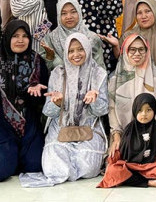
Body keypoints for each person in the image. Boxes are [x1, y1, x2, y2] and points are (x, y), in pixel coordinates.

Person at [19, 33, 108, 187]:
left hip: (89, 128)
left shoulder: (98, 74)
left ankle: (68, 170)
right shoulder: (58, 73)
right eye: (71, 51)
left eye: (80, 49)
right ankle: (66, 169)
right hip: (60, 128)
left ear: (87, 49)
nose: (76, 54)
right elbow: (48, 112)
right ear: (65, 53)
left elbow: (102, 111)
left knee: (88, 168)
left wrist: (94, 100)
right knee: (52, 167)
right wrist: (57, 104)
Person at [0, 20, 49, 181]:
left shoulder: (37, 62)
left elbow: (45, 97)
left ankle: (15, 155)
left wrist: (36, 93)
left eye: (24, 36)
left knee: (35, 167)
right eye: (15, 36)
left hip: (29, 124)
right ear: (7, 37)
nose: (20, 40)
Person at [108, 34, 156, 159]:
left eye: (141, 49)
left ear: (147, 51)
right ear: (125, 51)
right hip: (123, 134)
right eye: (132, 50)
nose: (137, 53)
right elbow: (112, 111)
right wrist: (116, 136)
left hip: (150, 134)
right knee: (116, 161)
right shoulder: (114, 80)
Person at [98, 93, 156, 188]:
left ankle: (130, 180)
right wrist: (112, 159)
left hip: (150, 167)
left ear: (154, 110)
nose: (144, 114)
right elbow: (121, 151)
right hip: (130, 166)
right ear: (135, 111)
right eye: (140, 110)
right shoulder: (129, 129)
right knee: (113, 170)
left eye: (148, 110)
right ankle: (148, 182)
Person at [39, 0, 105, 71]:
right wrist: (49, 58)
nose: (69, 17)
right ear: (58, 16)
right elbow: (41, 71)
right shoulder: (49, 40)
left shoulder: (92, 38)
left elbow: (100, 69)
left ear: (79, 13)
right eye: (64, 13)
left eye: (73, 12)